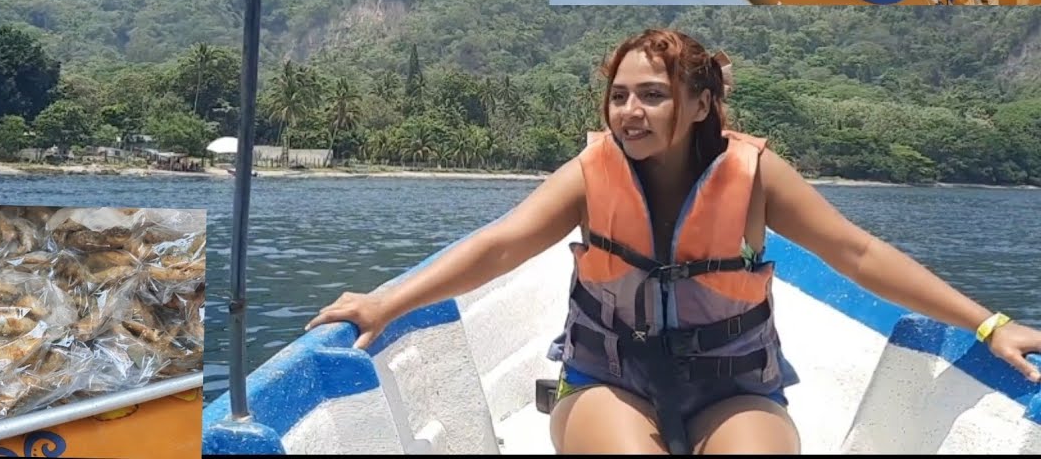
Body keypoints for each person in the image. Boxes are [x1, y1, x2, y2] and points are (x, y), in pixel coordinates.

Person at [305, 28, 1041, 455]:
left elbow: (859, 254)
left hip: (734, 388)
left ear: (698, 104)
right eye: (619, 95)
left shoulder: (755, 176)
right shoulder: (590, 174)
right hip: (607, 382)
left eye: (651, 94)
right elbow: (502, 245)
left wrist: (990, 322)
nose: (630, 110)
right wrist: (384, 303)